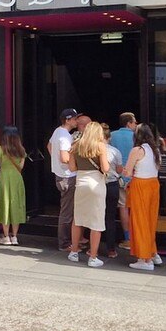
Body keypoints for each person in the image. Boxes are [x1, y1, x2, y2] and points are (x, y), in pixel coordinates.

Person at [69, 121, 110, 267]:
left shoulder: (75, 145)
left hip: (81, 183)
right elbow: (105, 168)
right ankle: (93, 257)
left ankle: (74, 252)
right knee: (96, 222)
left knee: (78, 219)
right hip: (96, 184)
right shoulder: (100, 146)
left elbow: (72, 168)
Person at [122, 124, 163, 271]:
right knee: (150, 221)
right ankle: (152, 253)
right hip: (153, 184)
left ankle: (144, 259)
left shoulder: (137, 150)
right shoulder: (155, 150)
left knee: (139, 222)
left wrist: (123, 170)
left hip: (140, 185)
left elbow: (127, 172)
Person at [47, 108, 79, 250]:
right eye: (74, 119)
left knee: (67, 210)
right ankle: (64, 243)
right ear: (68, 120)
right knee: (67, 211)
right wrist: (76, 164)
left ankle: (68, 241)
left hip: (61, 175)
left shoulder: (57, 131)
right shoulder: (65, 136)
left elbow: (49, 146)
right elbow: (65, 158)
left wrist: (55, 161)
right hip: (68, 176)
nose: (76, 121)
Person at [0, 127, 27, 246]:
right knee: (16, 205)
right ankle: (14, 236)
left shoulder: (0, 149)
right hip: (17, 179)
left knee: (5, 205)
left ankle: (6, 236)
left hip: (4, 179)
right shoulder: (21, 150)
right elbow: (21, 167)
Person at [109, 112, 137, 243]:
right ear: (129, 123)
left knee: (123, 207)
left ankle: (127, 238)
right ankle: (137, 238)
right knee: (136, 208)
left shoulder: (112, 136)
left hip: (119, 177)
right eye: (134, 122)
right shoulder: (137, 136)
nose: (136, 124)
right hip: (135, 177)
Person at [102, 122, 124, 258]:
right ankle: (111, 249)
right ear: (109, 138)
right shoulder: (115, 151)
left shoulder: (92, 150)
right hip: (112, 184)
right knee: (110, 217)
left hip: (98, 185)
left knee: (96, 217)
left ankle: (93, 248)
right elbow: (120, 170)